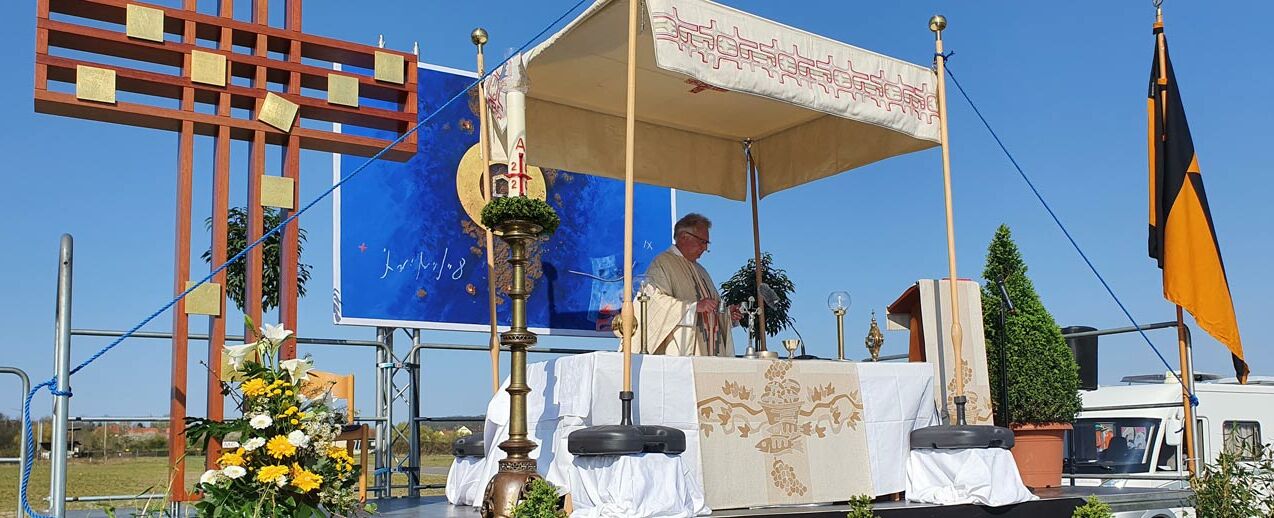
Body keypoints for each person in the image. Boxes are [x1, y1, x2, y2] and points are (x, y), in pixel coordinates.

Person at [636, 213, 742, 356]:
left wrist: (727, 314)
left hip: (710, 355)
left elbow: (712, 311)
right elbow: (653, 302)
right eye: (702, 242)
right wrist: (693, 307)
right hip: (683, 353)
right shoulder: (663, 263)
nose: (704, 248)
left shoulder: (702, 271)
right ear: (684, 237)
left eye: (706, 243)